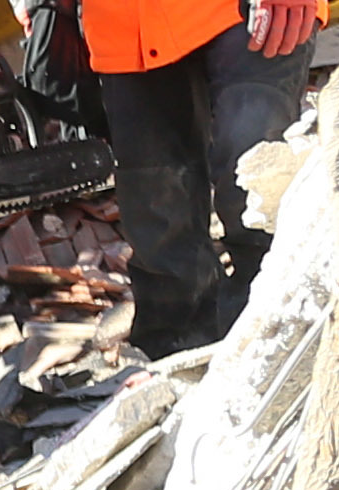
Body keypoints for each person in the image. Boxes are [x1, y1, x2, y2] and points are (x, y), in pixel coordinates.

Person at [85, 0, 313, 352]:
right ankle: (177, 359)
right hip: (128, 22)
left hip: (250, 13)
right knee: (156, 206)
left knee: (255, 179)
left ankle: (279, 345)